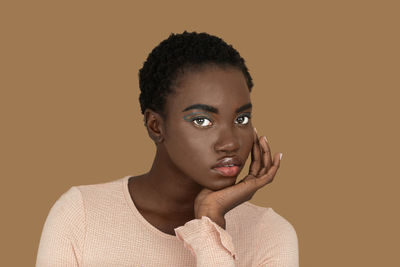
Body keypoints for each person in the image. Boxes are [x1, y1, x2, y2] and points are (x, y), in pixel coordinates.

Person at [36, 31, 299, 266]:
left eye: (241, 119)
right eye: (202, 121)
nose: (230, 143)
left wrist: (210, 225)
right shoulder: (82, 214)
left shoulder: (269, 233)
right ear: (156, 126)